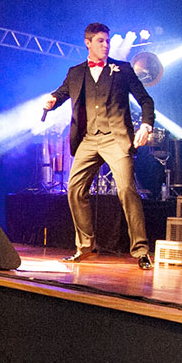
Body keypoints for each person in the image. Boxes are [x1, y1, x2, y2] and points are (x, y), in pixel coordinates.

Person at [43, 22, 156, 269]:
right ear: (88, 43)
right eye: (100, 41)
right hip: (88, 139)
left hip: (116, 138)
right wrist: (51, 101)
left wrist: (146, 126)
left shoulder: (123, 69)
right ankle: (85, 246)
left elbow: (146, 100)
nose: (106, 45)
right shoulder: (76, 72)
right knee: (74, 189)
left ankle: (141, 250)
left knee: (126, 190)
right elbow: (61, 94)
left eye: (107, 41)